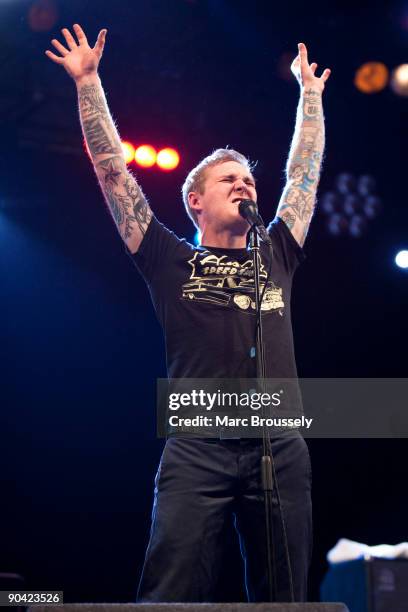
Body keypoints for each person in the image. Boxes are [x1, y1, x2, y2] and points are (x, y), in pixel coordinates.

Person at [46, 24, 331, 602]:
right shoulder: (166, 257)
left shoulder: (277, 249)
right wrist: (88, 83)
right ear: (195, 200)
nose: (245, 184)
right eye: (229, 178)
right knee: (170, 586)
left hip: (280, 446)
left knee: (285, 596)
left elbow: (302, 174)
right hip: (197, 446)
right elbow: (111, 169)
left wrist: (310, 99)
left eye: (249, 179)